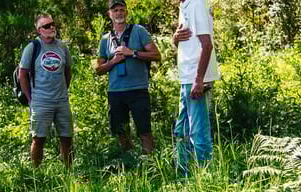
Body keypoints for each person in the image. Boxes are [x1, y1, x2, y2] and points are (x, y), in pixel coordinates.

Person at [94, 0, 161, 155]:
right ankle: (130, 163)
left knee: (144, 130)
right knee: (121, 131)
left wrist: (133, 53)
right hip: (116, 92)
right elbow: (98, 69)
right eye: (115, 10)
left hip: (138, 90)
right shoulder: (105, 39)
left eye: (122, 9)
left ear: (126, 12)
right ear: (109, 14)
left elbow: (156, 55)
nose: (119, 13)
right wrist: (114, 61)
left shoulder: (139, 31)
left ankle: (151, 165)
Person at [18, 14, 73, 168]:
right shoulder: (32, 47)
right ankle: (37, 175)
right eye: (47, 26)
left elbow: (68, 70)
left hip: (62, 100)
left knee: (67, 138)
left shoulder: (62, 47)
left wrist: (64, 90)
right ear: (39, 30)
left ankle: (69, 173)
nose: (51, 28)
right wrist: (30, 98)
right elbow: (22, 74)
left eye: (52, 24)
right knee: (39, 139)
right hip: (41, 101)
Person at [172, 0, 220, 176]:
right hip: (186, 78)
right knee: (181, 131)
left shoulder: (197, 3)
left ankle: (207, 179)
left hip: (196, 78)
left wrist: (199, 80)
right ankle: (184, 178)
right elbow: (186, 43)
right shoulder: (184, 5)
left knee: (198, 133)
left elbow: (206, 45)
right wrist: (175, 38)